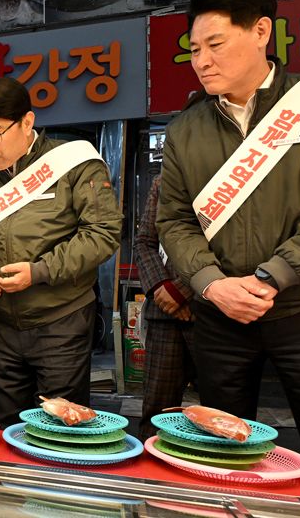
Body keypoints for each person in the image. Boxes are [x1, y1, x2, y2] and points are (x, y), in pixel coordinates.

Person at [156, 0, 300, 454]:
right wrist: (211, 283)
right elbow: (173, 220)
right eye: (194, 49)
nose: (202, 61)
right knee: (221, 446)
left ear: (261, 32)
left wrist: (276, 275)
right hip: (220, 316)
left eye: (215, 44)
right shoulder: (185, 128)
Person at [0, 77, 122, 427]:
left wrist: (40, 271)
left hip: (61, 319)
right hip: (1, 322)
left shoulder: (75, 162)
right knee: (9, 421)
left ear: (27, 122)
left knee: (63, 422)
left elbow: (103, 234)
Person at [135, 175, 195, 440]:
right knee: (155, 413)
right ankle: (150, 476)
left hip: (214, 310)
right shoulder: (163, 181)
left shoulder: (235, 178)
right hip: (163, 314)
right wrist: (162, 287)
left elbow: (234, 249)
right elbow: (145, 242)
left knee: (223, 410)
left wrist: (182, 291)